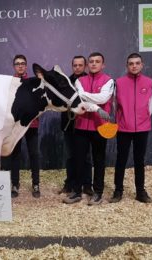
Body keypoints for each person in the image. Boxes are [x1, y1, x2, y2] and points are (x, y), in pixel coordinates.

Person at [63, 52, 113, 205]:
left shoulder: (109, 80)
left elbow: (103, 98)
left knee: (99, 161)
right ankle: (77, 192)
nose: (93, 64)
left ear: (102, 65)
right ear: (88, 64)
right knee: (78, 160)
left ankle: (97, 193)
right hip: (81, 126)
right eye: (91, 61)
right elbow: (80, 101)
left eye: (97, 61)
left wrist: (84, 96)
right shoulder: (79, 80)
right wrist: (97, 109)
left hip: (100, 127)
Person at [109, 53, 152, 203]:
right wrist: (123, 120)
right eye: (131, 63)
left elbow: (151, 105)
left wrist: (142, 119)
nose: (134, 66)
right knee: (121, 159)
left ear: (142, 65)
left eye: (137, 63)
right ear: (127, 66)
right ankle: (118, 191)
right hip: (123, 128)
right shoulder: (119, 83)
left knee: (139, 160)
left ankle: (140, 192)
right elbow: (115, 105)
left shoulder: (149, 82)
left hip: (142, 128)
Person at [60, 56, 93, 195]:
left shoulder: (89, 81)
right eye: (75, 65)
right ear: (72, 66)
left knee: (85, 156)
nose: (77, 67)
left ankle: (87, 185)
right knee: (70, 156)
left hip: (85, 123)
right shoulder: (65, 82)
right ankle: (70, 184)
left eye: (80, 65)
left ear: (85, 66)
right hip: (68, 122)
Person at [10, 54, 41, 199]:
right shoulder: (9, 83)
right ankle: (15, 184)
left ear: (26, 65)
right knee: (15, 154)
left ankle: (36, 184)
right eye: (17, 64)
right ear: (14, 66)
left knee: (34, 154)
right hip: (15, 126)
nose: (20, 66)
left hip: (32, 124)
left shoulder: (34, 82)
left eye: (23, 63)